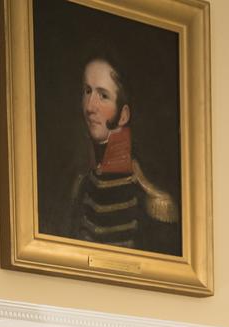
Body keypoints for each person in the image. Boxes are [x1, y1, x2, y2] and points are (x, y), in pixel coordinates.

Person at [63, 55, 181, 256]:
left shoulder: (152, 199)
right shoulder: (81, 185)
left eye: (103, 96)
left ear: (124, 115)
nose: (90, 107)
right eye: (87, 91)